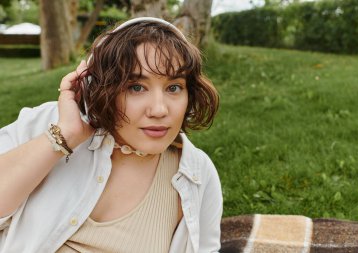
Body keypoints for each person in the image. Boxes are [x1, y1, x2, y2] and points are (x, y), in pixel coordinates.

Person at [0, 17, 222, 253]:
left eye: (174, 88)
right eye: (136, 87)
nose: (159, 109)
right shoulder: (48, 124)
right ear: (101, 88)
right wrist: (64, 136)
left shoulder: (197, 174)